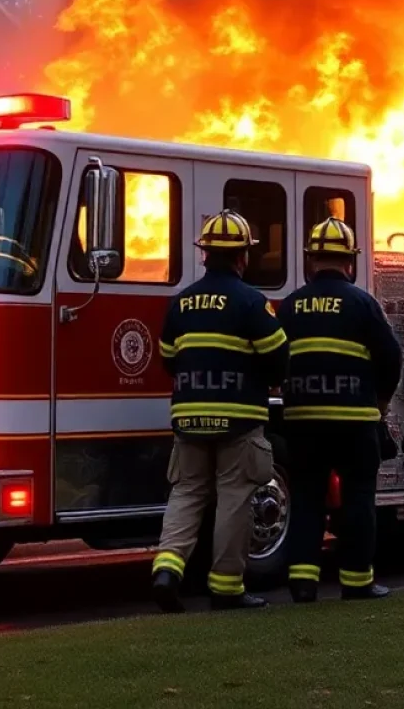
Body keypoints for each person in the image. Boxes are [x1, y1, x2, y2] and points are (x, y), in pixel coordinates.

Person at [150, 210, 289, 613]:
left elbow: (169, 359)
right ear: (243, 256)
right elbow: (279, 358)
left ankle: (166, 570)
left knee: (187, 492)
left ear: (205, 255)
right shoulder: (252, 303)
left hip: (190, 417)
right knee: (233, 496)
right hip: (239, 420)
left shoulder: (182, 303)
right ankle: (227, 587)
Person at [277, 216, 403, 603]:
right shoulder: (363, 303)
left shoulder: (289, 306)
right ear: (350, 262)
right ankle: (357, 582)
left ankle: (302, 583)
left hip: (302, 424)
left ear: (310, 261)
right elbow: (391, 358)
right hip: (354, 424)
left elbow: (273, 357)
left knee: (307, 498)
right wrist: (379, 407)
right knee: (358, 500)